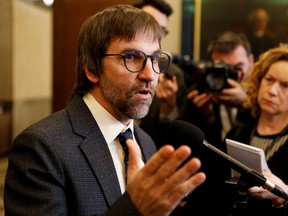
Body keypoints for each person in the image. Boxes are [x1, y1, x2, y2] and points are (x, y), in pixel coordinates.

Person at [4, 5, 206, 215]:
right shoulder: (41, 148)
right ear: (92, 68)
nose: (150, 74)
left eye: (154, 59)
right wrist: (134, 208)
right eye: (131, 57)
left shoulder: (145, 142)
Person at [180, 31, 254, 216]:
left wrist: (246, 102)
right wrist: (206, 117)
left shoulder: (260, 97)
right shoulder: (199, 93)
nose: (229, 77)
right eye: (222, 69)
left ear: (251, 61)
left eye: (237, 68)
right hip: (210, 199)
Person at [225, 46, 288, 216]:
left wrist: (284, 194)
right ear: (259, 80)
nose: (272, 91)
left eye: (285, 86)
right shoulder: (237, 133)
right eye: (269, 79)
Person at [134, 0, 188, 149]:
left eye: (161, 30)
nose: (156, 35)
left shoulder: (174, 74)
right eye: (149, 26)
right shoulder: (114, 63)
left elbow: (176, 140)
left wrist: (168, 109)